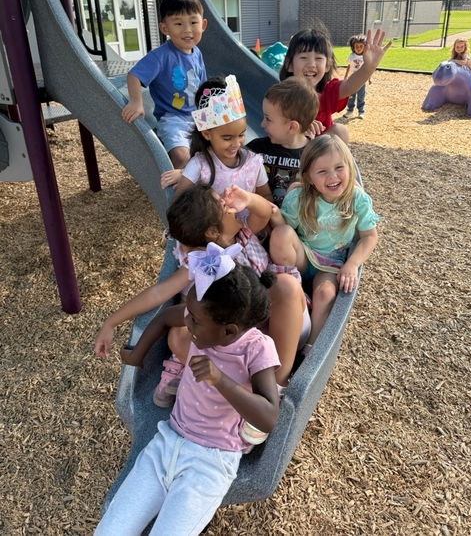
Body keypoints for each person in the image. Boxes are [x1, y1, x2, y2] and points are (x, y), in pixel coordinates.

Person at [94, 254, 280, 536]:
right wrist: (138, 355)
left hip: (211, 462)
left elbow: (268, 416)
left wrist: (220, 379)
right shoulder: (200, 316)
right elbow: (165, 318)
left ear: (228, 331)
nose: (187, 324)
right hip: (167, 442)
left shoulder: (257, 348)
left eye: (194, 321)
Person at [118, 184, 309, 400]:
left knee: (285, 285)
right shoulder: (203, 261)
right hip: (242, 337)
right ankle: (237, 387)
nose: (228, 202)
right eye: (221, 202)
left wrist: (247, 198)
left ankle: (276, 384)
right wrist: (112, 322)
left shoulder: (245, 231)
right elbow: (158, 293)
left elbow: (265, 211)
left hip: (284, 326)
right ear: (212, 232)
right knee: (177, 336)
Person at [269, 135, 381, 352]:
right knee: (281, 233)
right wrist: (271, 211)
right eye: (322, 171)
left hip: (330, 263)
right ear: (309, 177)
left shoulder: (356, 198)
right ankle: (291, 290)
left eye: (339, 167)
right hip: (302, 258)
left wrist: (352, 264)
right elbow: (285, 227)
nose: (333, 176)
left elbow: (370, 236)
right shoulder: (300, 197)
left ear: (349, 166)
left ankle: (310, 349)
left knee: (326, 294)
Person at [122, 0, 208, 168]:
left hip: (198, 116)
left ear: (203, 24)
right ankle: (185, 191)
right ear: (165, 28)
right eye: (178, 23)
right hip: (173, 119)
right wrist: (136, 102)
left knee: (224, 146)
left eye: (193, 22)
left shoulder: (197, 53)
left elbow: (203, 87)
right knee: (182, 158)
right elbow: (134, 75)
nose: (187, 30)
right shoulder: (161, 56)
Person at [161, 75, 272, 200]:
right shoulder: (199, 166)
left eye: (241, 135)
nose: (236, 143)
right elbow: (179, 204)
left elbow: (266, 196)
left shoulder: (252, 162)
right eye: (227, 138)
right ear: (207, 134)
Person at [279, 27, 391, 143]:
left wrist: (368, 68)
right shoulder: (281, 96)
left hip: (319, 154)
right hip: (290, 154)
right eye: (303, 57)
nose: (311, 64)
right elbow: (272, 125)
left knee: (339, 130)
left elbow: (349, 86)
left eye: (318, 58)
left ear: (327, 65)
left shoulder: (327, 92)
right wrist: (300, 126)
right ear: (289, 64)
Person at [247, 77, 318, 206]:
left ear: (292, 127)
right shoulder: (257, 148)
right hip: (260, 217)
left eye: (268, 119)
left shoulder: (315, 155)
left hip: (297, 222)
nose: (262, 124)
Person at [343, 34, 370, 119]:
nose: (358, 48)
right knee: (351, 96)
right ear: (353, 47)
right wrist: (346, 76)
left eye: (361, 46)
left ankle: (361, 112)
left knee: (361, 96)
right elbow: (349, 66)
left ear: (365, 47)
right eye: (356, 46)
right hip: (352, 80)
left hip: (362, 81)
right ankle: (350, 111)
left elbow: (367, 68)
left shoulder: (366, 56)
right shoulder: (352, 56)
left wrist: (369, 78)